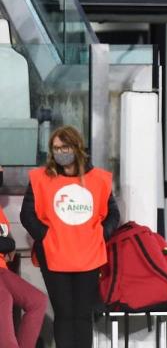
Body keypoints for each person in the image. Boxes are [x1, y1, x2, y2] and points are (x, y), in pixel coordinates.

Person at [21, 125, 120, 348]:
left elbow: (113, 213)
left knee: (83, 315)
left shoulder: (99, 179)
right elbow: (27, 214)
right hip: (54, 256)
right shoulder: (40, 178)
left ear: (76, 147)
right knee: (64, 315)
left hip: (88, 256)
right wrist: (45, 236)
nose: (60, 152)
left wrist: (100, 234)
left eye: (64, 147)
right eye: (56, 148)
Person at [0, 196, 47, 347]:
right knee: (4, 298)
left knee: (37, 300)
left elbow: (8, 241)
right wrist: (7, 244)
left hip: (2, 266)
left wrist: (8, 244)